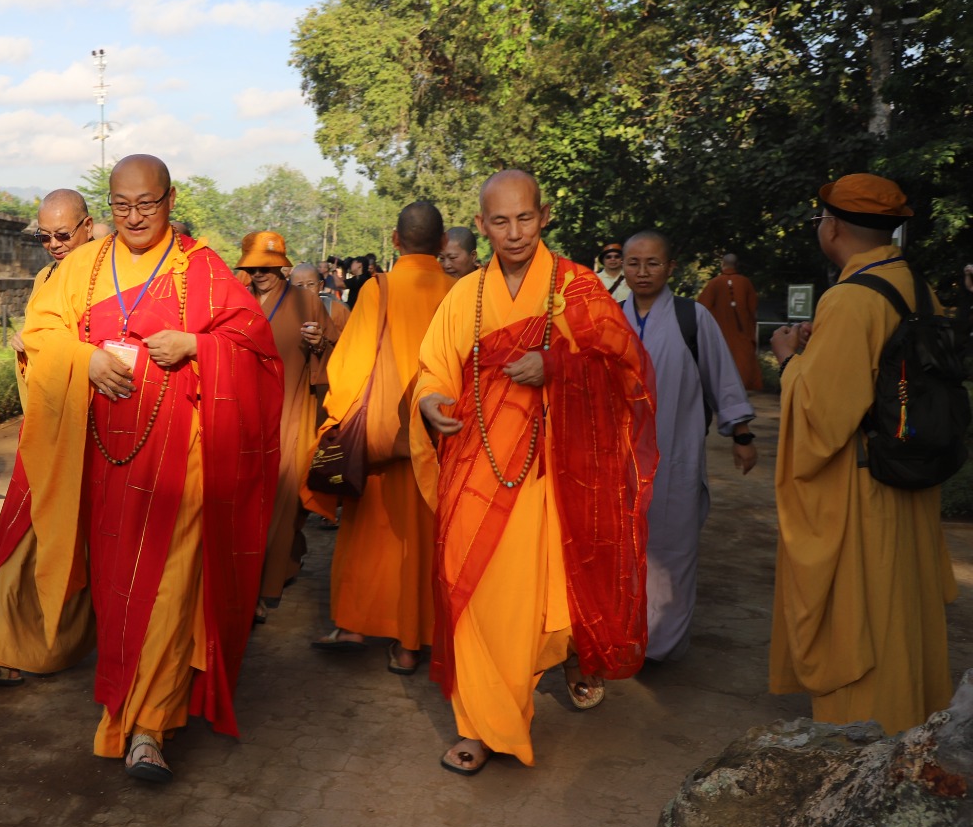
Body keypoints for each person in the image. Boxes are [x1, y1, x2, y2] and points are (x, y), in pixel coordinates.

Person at [0, 154, 283, 782]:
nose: (135, 216)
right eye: (122, 205)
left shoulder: (201, 269)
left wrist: (199, 345)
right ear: (108, 206)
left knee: (167, 592)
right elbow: (41, 331)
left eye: (148, 203)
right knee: (117, 591)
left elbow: (254, 344)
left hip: (180, 463)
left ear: (171, 200)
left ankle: (147, 728)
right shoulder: (82, 266)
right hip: (104, 458)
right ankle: (111, 698)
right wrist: (83, 359)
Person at [414, 170, 656, 776]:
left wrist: (555, 365)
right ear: (483, 222)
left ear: (543, 216)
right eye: (499, 221)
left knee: (520, 600)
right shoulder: (464, 294)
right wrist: (426, 402)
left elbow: (626, 368)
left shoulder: (575, 288)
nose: (514, 232)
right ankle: (476, 720)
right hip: (475, 465)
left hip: (548, 475)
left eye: (524, 218)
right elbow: (434, 368)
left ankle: (499, 721)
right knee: (464, 589)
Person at [768, 173, 957, 734]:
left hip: (865, 487)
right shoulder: (916, 287)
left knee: (867, 619)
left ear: (832, 228)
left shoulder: (850, 300)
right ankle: (913, 732)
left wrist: (788, 360)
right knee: (904, 611)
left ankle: (866, 751)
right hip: (910, 482)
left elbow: (822, 419)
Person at [305, 202, 454, 676]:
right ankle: (410, 645)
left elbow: (348, 368)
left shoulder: (378, 288)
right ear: (444, 243)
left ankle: (353, 625)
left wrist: (337, 421)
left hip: (380, 437)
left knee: (369, 534)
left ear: (395, 240)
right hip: (440, 435)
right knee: (426, 542)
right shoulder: (459, 291)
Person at [621, 231, 757, 662]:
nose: (642, 272)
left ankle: (658, 648)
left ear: (671, 267)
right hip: (618, 460)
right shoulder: (607, 317)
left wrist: (742, 435)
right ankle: (621, 640)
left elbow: (722, 377)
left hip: (673, 453)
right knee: (621, 553)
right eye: (634, 263)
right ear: (623, 267)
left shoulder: (691, 317)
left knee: (673, 552)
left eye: (653, 263)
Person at [240, 234, 331, 623]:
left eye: (267, 266)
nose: (260, 274)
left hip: (289, 414)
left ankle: (264, 588)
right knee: (245, 505)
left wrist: (320, 342)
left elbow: (337, 351)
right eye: (253, 267)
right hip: (243, 417)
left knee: (279, 504)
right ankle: (261, 577)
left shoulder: (305, 301)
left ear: (282, 265)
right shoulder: (237, 301)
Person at [14, 189, 93, 411]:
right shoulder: (45, 276)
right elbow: (36, 329)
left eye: (63, 235)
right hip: (49, 400)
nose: (54, 245)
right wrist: (23, 340)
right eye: (44, 237)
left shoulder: (108, 272)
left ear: (88, 226)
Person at [697, 253, 764, 392]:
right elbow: (753, 308)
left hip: (720, 332)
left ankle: (721, 388)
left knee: (720, 360)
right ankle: (742, 389)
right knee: (743, 360)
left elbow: (701, 308)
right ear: (737, 265)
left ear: (722, 265)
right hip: (742, 331)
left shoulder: (714, 283)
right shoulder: (745, 282)